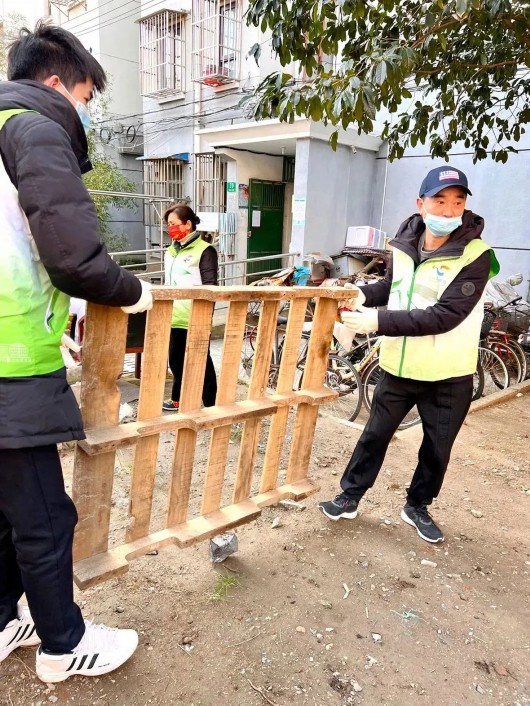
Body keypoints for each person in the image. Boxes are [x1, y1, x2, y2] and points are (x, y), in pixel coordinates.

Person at [0, 23, 153, 682]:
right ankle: (64, 644)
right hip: (9, 370)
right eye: (88, 98)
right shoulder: (33, 128)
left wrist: (50, 315)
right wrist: (132, 292)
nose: (85, 113)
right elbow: (72, 256)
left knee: (4, 514)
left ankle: (7, 618)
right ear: (58, 83)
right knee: (43, 515)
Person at [318, 166, 499, 544]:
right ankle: (350, 496)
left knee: (436, 448)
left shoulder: (476, 255)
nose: (449, 210)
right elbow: (393, 286)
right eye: (440, 200)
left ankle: (417, 505)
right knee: (374, 436)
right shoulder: (403, 243)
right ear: (421, 203)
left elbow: (446, 315)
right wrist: (362, 295)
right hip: (400, 366)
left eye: (458, 202)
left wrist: (377, 322)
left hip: (449, 373)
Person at [162, 204, 218, 411]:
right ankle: (178, 398)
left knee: (202, 359)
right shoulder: (171, 251)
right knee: (176, 361)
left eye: (173, 224)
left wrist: (205, 313)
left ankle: (211, 403)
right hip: (174, 314)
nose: (170, 228)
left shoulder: (205, 250)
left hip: (196, 315)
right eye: (168, 225)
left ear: (188, 224)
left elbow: (211, 285)